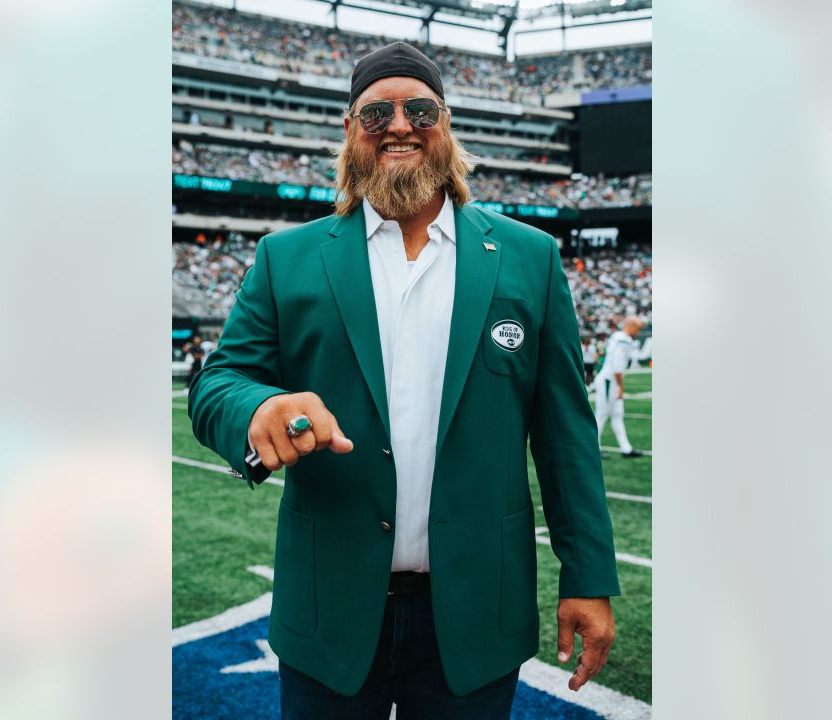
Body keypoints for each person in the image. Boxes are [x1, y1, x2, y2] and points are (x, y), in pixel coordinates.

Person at [188, 41, 619, 719]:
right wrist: (258, 406)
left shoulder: (528, 259)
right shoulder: (286, 260)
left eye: (420, 109)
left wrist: (588, 575)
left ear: (445, 125)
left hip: (477, 614)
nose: (399, 125)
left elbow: (566, 436)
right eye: (375, 113)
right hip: (328, 612)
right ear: (350, 133)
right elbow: (218, 383)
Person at [594, 316, 645, 459]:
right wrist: (620, 386)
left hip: (609, 380)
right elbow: (617, 366)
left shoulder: (617, 336)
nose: (638, 332)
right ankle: (594, 449)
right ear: (632, 325)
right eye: (638, 329)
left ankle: (626, 449)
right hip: (609, 381)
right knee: (602, 414)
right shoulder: (624, 339)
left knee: (617, 415)